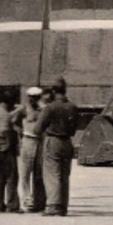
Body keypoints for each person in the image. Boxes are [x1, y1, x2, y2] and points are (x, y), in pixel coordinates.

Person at [38, 77, 81, 216]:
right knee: (64, 174)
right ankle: (63, 206)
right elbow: (75, 129)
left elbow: (38, 128)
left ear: (54, 91)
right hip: (68, 142)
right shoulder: (73, 107)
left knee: (52, 173)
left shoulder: (50, 107)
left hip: (53, 140)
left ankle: (53, 205)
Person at [15, 86, 47, 213]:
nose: (33, 100)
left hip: (40, 141)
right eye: (31, 97)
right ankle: (27, 200)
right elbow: (13, 120)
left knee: (39, 173)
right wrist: (20, 131)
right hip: (28, 140)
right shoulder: (24, 108)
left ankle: (38, 201)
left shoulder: (44, 109)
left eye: (36, 97)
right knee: (25, 172)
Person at [0, 93, 20, 212]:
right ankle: (12, 204)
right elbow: (5, 129)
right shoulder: (3, 113)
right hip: (5, 145)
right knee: (11, 175)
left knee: (1, 177)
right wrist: (8, 144)